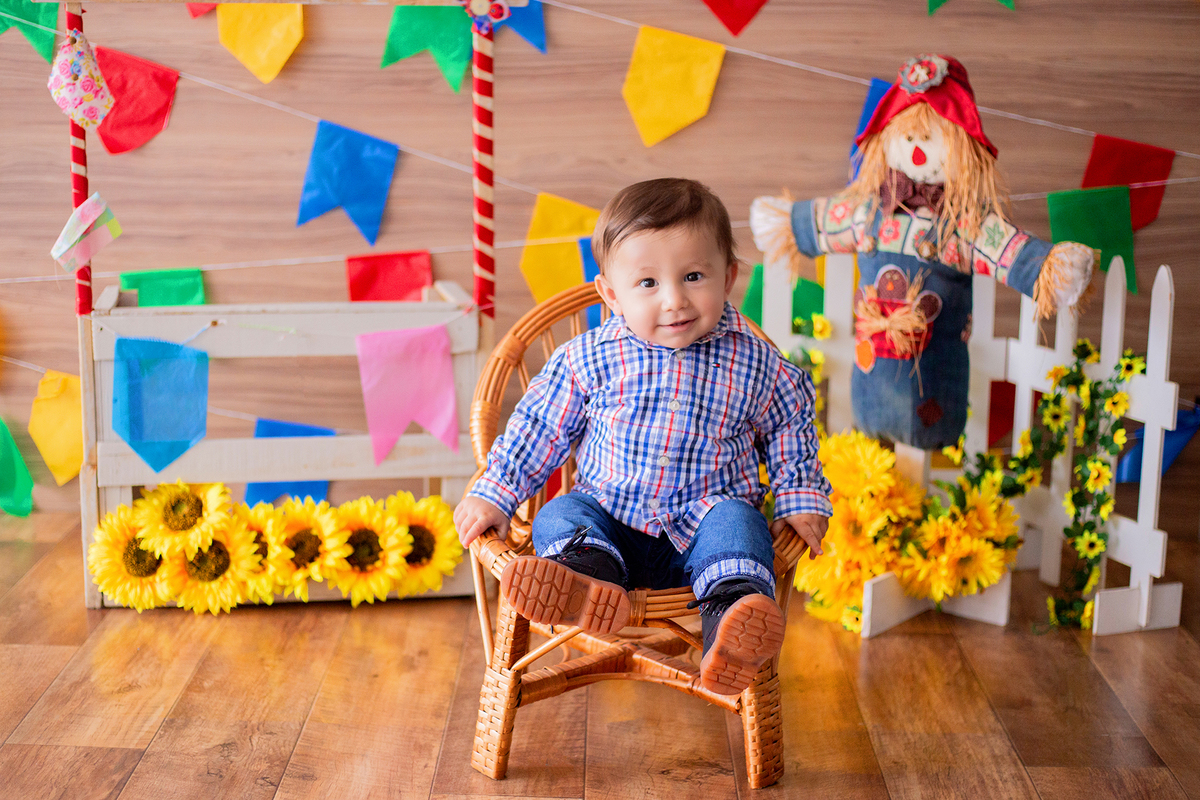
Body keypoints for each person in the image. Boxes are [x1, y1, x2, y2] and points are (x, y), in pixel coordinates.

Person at [455, 178, 832, 695]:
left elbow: (791, 424)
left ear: (729, 277)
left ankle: (732, 627)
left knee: (740, 522)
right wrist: (495, 491)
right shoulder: (588, 358)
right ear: (611, 293)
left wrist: (798, 496)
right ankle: (584, 578)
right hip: (610, 521)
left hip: (705, 531)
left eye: (694, 276)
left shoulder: (758, 364)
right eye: (648, 283)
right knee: (560, 513)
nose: (675, 300)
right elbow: (538, 428)